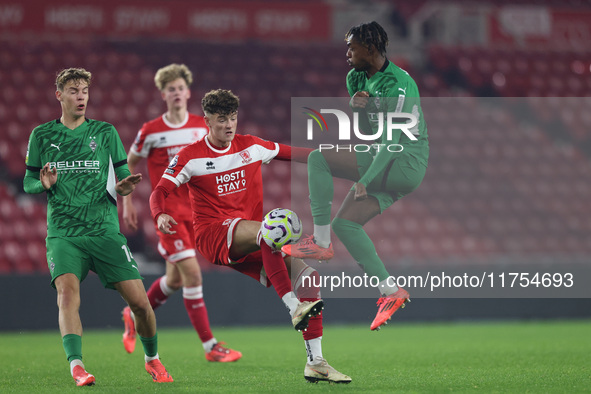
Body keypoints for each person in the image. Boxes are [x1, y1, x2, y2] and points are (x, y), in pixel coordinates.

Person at [150, 89, 351, 383]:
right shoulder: (190, 156)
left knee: (308, 279)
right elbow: (159, 192)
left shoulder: (252, 146)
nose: (229, 125)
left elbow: (301, 155)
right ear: (207, 120)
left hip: (250, 239)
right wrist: (160, 214)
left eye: (232, 118)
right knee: (273, 228)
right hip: (213, 235)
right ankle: (294, 308)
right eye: (221, 119)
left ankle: (316, 362)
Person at [23, 68, 173, 386]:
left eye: (85, 91)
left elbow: (122, 179)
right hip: (64, 233)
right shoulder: (41, 135)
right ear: (59, 95)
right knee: (66, 295)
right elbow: (28, 183)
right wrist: (43, 182)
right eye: (74, 90)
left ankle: (152, 359)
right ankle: (77, 366)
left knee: (141, 305)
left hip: (104, 231)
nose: (81, 96)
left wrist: (125, 188)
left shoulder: (105, 133)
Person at [283, 21, 429, 331]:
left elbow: (393, 139)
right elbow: (370, 130)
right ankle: (391, 291)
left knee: (319, 158)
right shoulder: (356, 78)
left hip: (404, 159)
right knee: (346, 224)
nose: (347, 52)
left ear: (371, 48)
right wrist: (358, 109)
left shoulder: (398, 85)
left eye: (352, 47)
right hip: (389, 161)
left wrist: (366, 179)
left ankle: (321, 241)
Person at [121, 64, 241, 362]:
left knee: (174, 280)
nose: (176, 93)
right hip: (167, 215)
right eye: (170, 89)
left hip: (196, 213)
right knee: (192, 274)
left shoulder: (203, 125)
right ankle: (210, 346)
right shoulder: (150, 131)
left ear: (188, 92)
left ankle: (131, 313)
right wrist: (126, 201)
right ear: (164, 94)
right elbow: (128, 163)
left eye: (180, 88)